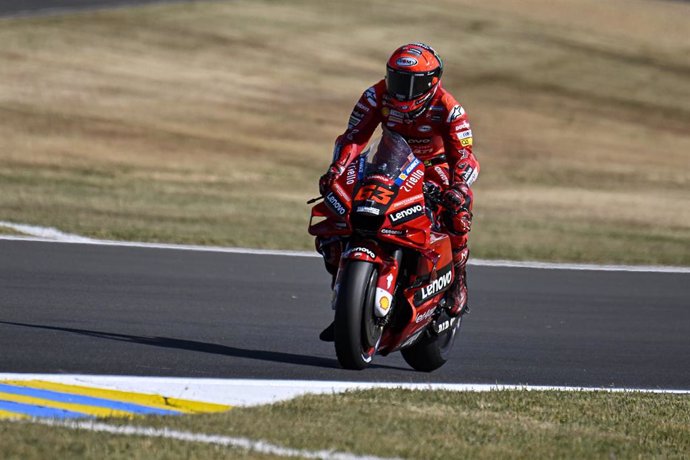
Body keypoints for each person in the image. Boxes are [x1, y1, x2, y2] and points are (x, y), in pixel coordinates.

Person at [317, 43, 479, 340]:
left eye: (411, 83)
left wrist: (458, 186)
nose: (401, 90)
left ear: (432, 82)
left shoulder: (449, 107)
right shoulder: (375, 95)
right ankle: (346, 301)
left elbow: (465, 157)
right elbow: (353, 138)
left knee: (458, 210)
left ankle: (458, 281)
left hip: (434, 169)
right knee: (335, 213)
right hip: (389, 163)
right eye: (396, 80)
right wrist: (336, 170)